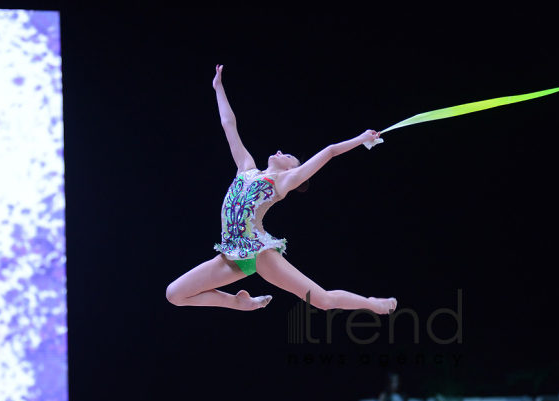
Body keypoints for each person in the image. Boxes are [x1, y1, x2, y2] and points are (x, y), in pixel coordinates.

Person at [166, 65, 397, 314]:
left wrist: (362, 138)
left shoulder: (282, 182)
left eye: (288, 156)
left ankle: (375, 304)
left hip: (259, 252)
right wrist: (218, 87)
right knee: (175, 294)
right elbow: (228, 124)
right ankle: (240, 303)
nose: (280, 152)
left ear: (290, 170)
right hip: (232, 253)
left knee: (323, 301)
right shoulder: (246, 168)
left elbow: (330, 151)